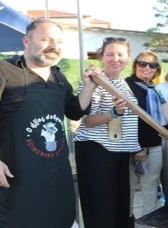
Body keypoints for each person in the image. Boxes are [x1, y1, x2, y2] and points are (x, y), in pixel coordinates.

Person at [0, 19, 96, 228]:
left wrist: (88, 88)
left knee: (58, 218)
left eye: (59, 41)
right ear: (26, 41)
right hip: (17, 173)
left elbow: (74, 111)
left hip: (55, 171)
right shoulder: (5, 70)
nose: (54, 46)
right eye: (46, 39)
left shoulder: (59, 77)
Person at [74, 37, 141, 228]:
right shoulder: (94, 82)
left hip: (119, 151)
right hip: (97, 150)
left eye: (121, 54)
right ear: (102, 57)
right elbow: (87, 120)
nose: (115, 59)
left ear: (128, 57)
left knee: (120, 207)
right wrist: (113, 113)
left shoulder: (122, 83)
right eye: (110, 54)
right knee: (101, 210)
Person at [125, 50, 166, 218]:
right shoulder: (126, 86)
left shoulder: (155, 90)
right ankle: (127, 220)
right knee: (130, 184)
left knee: (151, 184)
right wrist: (138, 148)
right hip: (133, 146)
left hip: (156, 143)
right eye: (143, 63)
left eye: (153, 65)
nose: (147, 68)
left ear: (157, 69)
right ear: (135, 66)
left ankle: (148, 220)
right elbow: (127, 120)